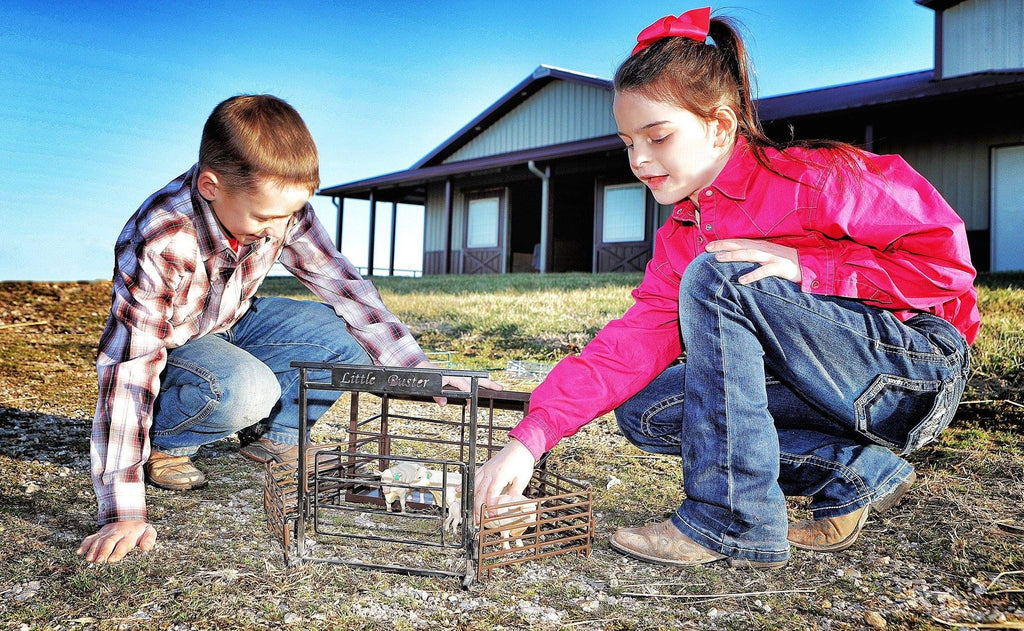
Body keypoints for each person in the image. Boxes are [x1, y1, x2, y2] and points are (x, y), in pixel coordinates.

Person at [475, 7, 978, 568]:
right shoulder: (682, 236)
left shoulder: (816, 178)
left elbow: (947, 269)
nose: (639, 160)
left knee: (720, 274)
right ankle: (853, 471)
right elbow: (628, 347)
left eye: (657, 136)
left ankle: (728, 519)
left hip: (911, 373)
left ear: (719, 125)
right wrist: (529, 440)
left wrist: (810, 264)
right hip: (817, 393)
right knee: (647, 407)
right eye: (627, 143)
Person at [77, 94, 499, 564]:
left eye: (288, 215)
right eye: (265, 217)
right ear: (211, 185)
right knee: (243, 389)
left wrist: (419, 373)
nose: (278, 228)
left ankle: (273, 440)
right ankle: (168, 440)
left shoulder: (282, 208)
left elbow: (344, 286)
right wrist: (122, 511)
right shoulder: (164, 236)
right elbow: (130, 368)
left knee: (349, 338)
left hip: (234, 321)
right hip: (171, 348)